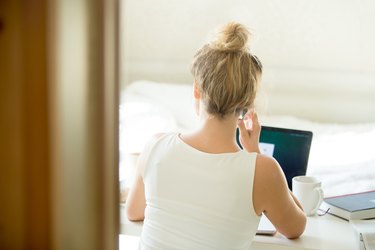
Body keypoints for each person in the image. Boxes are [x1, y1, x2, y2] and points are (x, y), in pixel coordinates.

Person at [126, 22, 306, 249]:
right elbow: (296, 227)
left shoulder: (156, 146)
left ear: (196, 90)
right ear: (247, 103)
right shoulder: (263, 171)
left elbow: (133, 212)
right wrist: (254, 152)